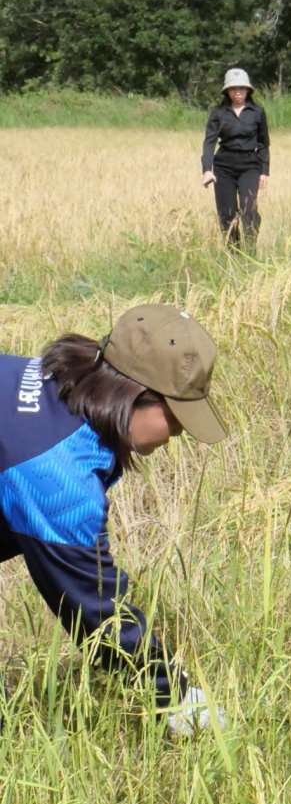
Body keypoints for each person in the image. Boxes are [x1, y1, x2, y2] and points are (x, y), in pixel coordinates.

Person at [1, 305, 229, 734]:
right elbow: (95, 611)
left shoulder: (55, 389)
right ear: (133, 394)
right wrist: (176, 698)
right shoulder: (56, 475)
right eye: (176, 416)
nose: (179, 433)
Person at [201, 68, 270, 248]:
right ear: (227, 91)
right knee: (227, 214)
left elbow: (263, 142)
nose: (238, 92)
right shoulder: (218, 113)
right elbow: (209, 143)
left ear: (248, 90)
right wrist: (207, 170)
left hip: (250, 166)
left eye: (241, 88)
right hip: (224, 167)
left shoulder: (257, 112)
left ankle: (251, 250)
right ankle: (234, 253)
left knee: (248, 210)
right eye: (233, 89)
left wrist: (264, 171)